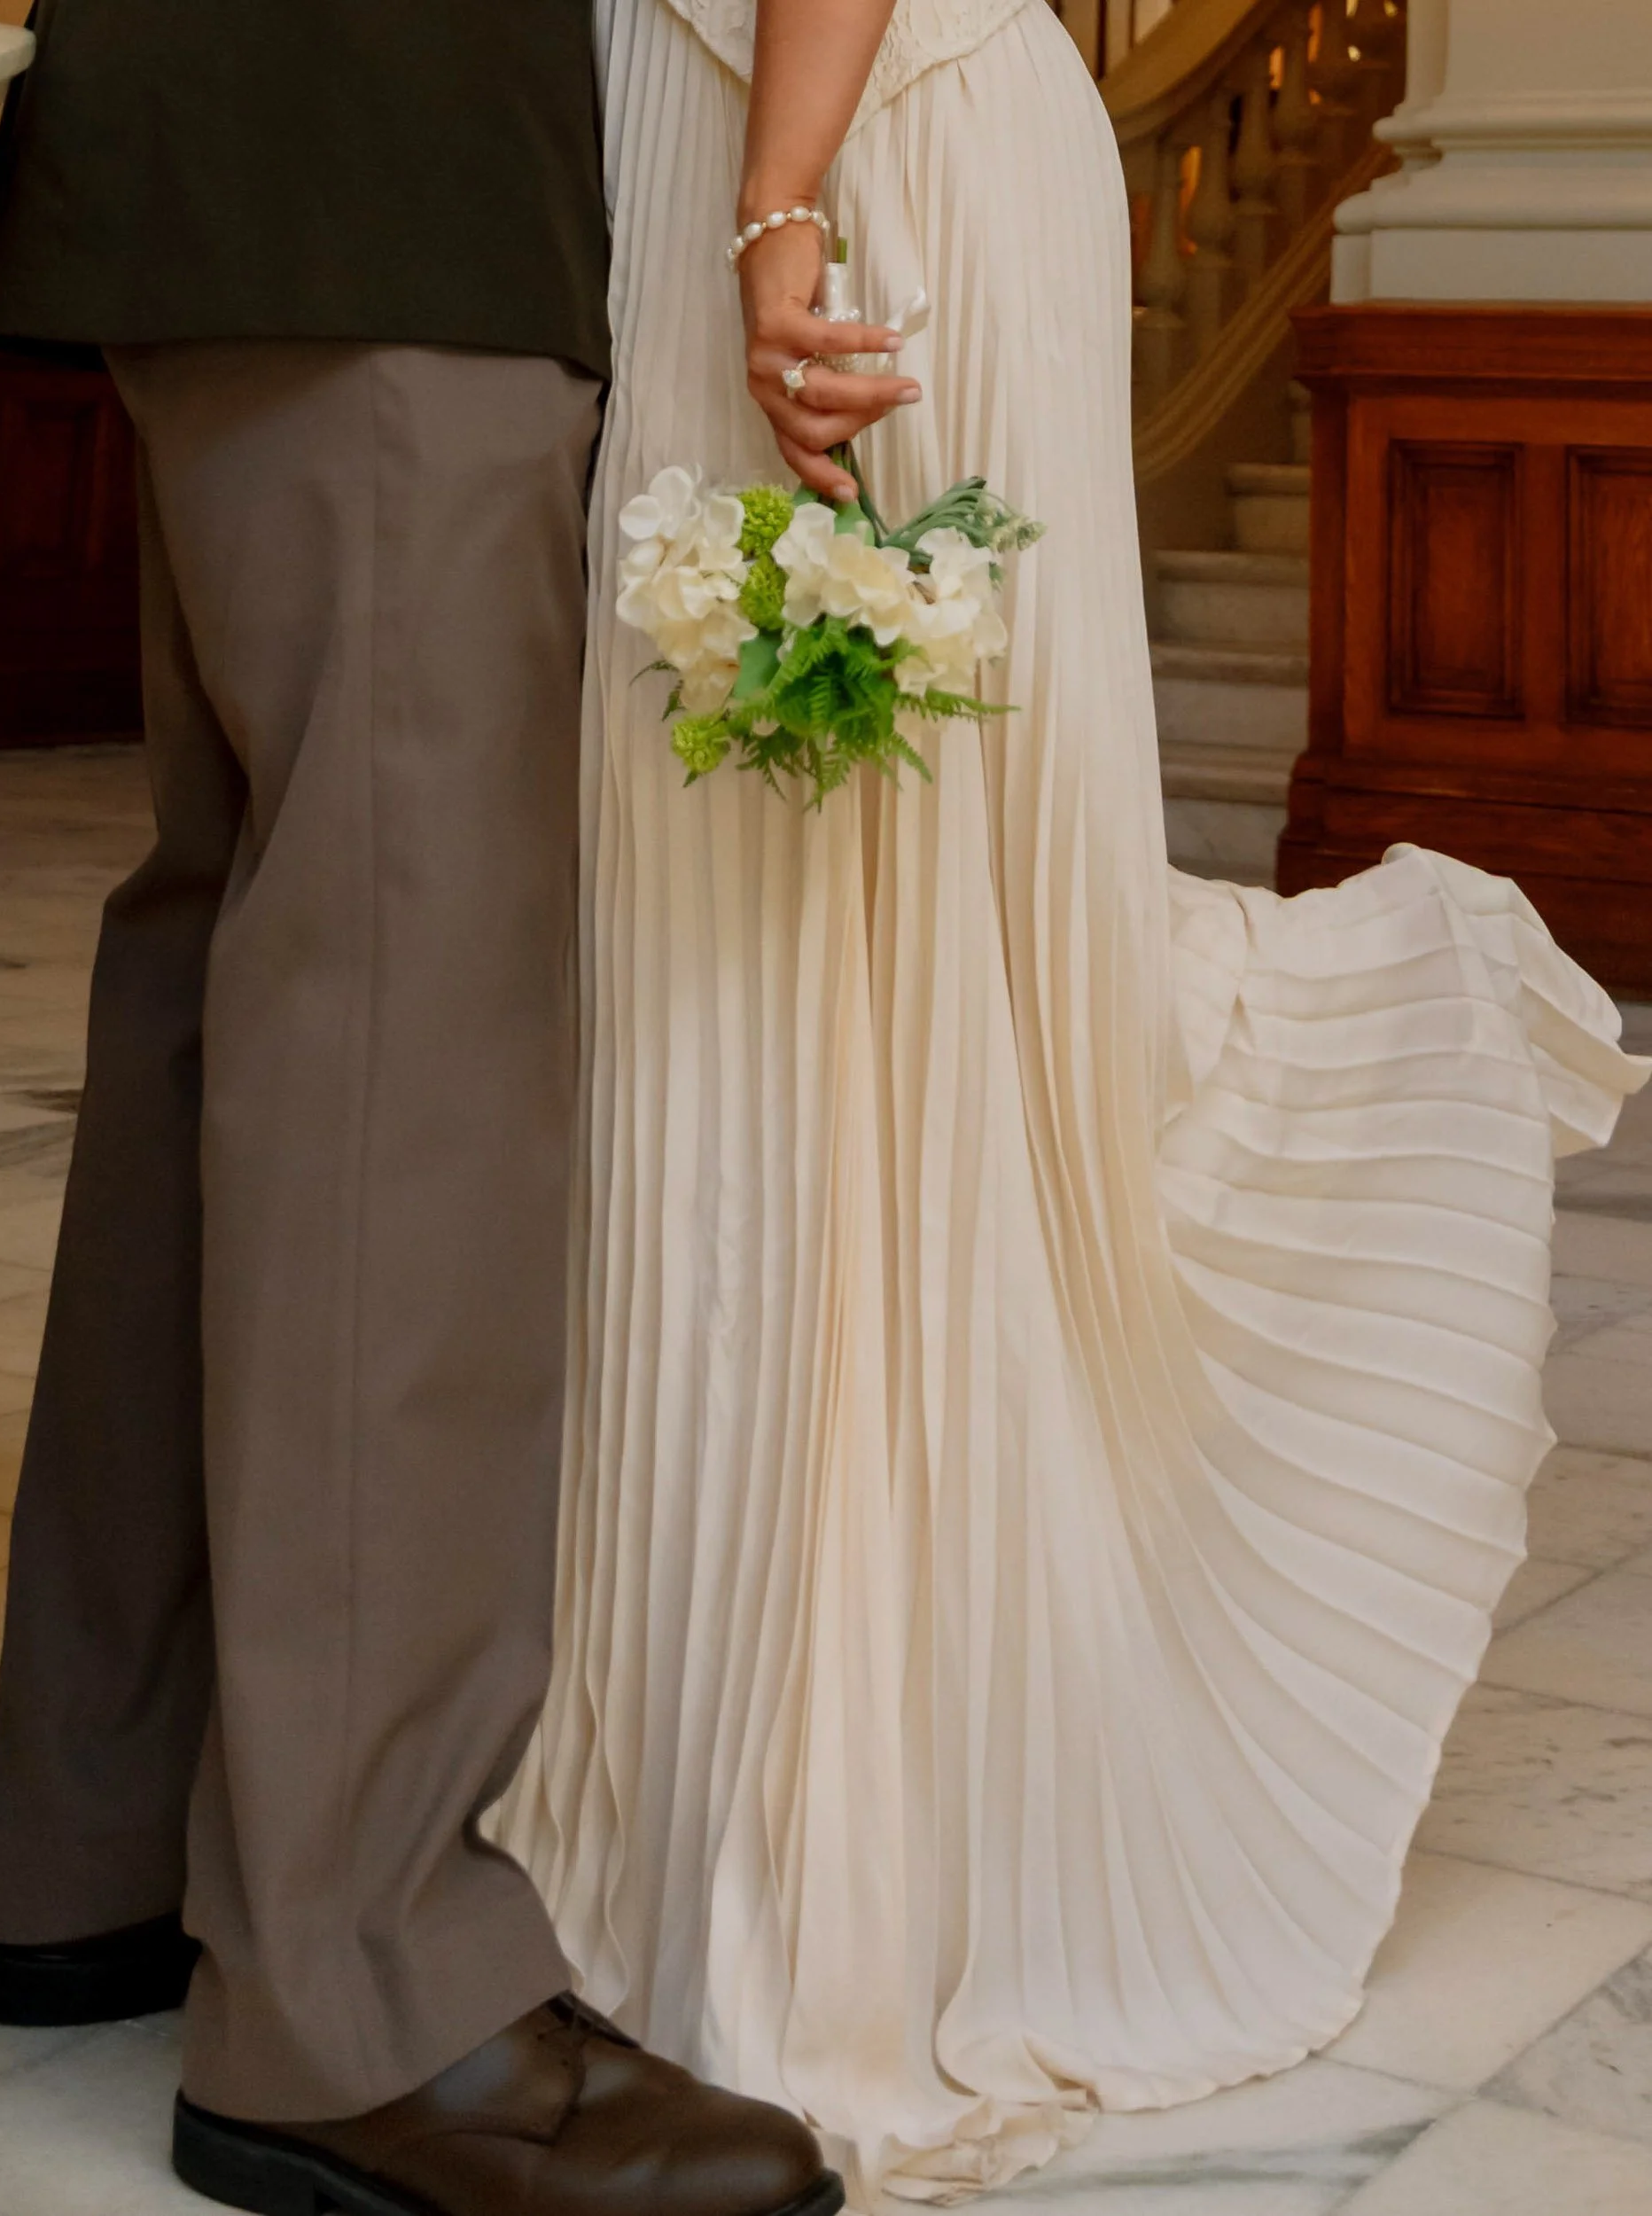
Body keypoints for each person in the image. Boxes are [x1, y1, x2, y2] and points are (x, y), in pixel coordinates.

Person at [488, 0, 1650, 2205]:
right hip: (763, 133)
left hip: (832, 136)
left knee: (843, 935)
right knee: (759, 929)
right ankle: (716, 1774)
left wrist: (776, 210)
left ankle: (821, 1817)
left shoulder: (792, 183)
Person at [0, 5, 907, 2215]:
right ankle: (362, 1984)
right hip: (378, 145)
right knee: (407, 1055)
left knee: (234, 1009)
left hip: (243, 156)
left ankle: (98, 1838)